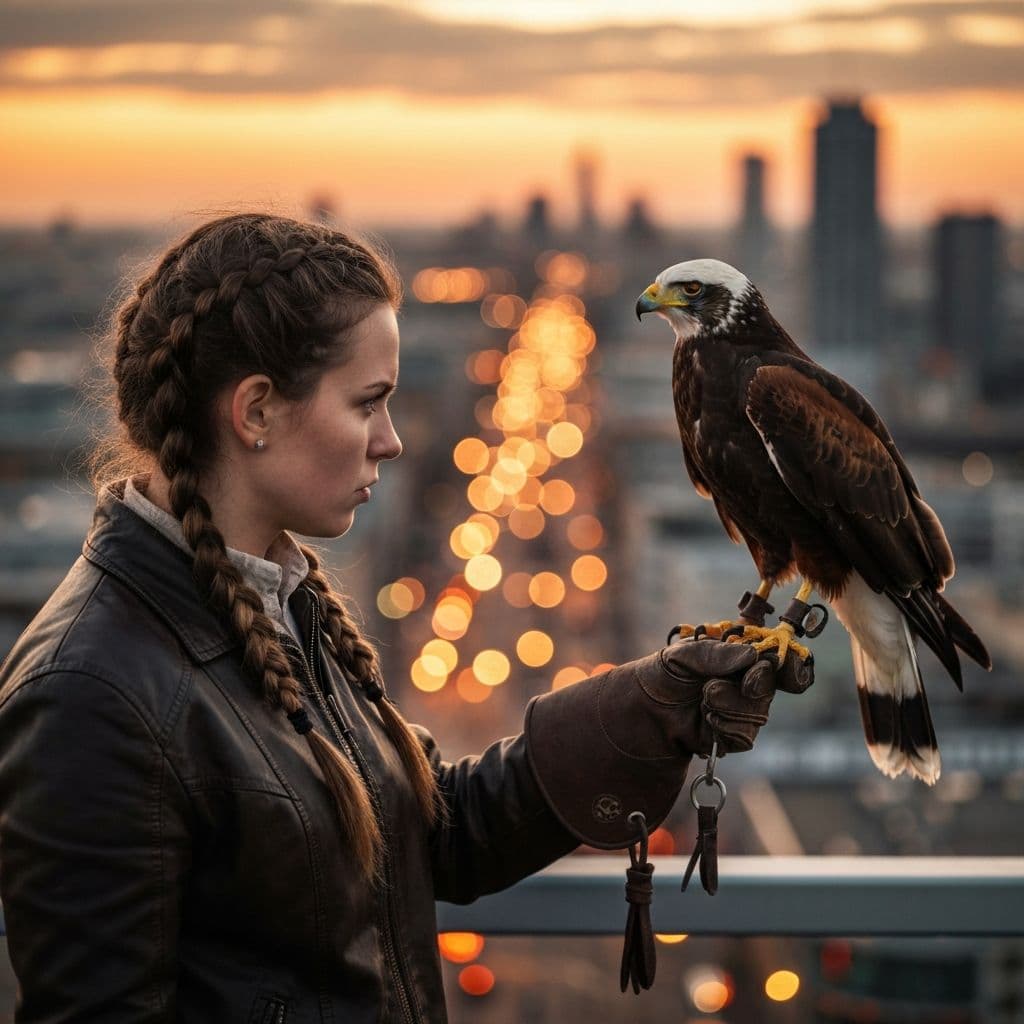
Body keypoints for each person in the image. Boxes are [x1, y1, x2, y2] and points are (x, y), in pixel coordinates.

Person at [0, 213, 813, 1022]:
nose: (390, 441)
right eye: (367, 404)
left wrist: (647, 710)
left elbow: (426, 839)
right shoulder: (90, 697)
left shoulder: (275, 604)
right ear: (254, 412)